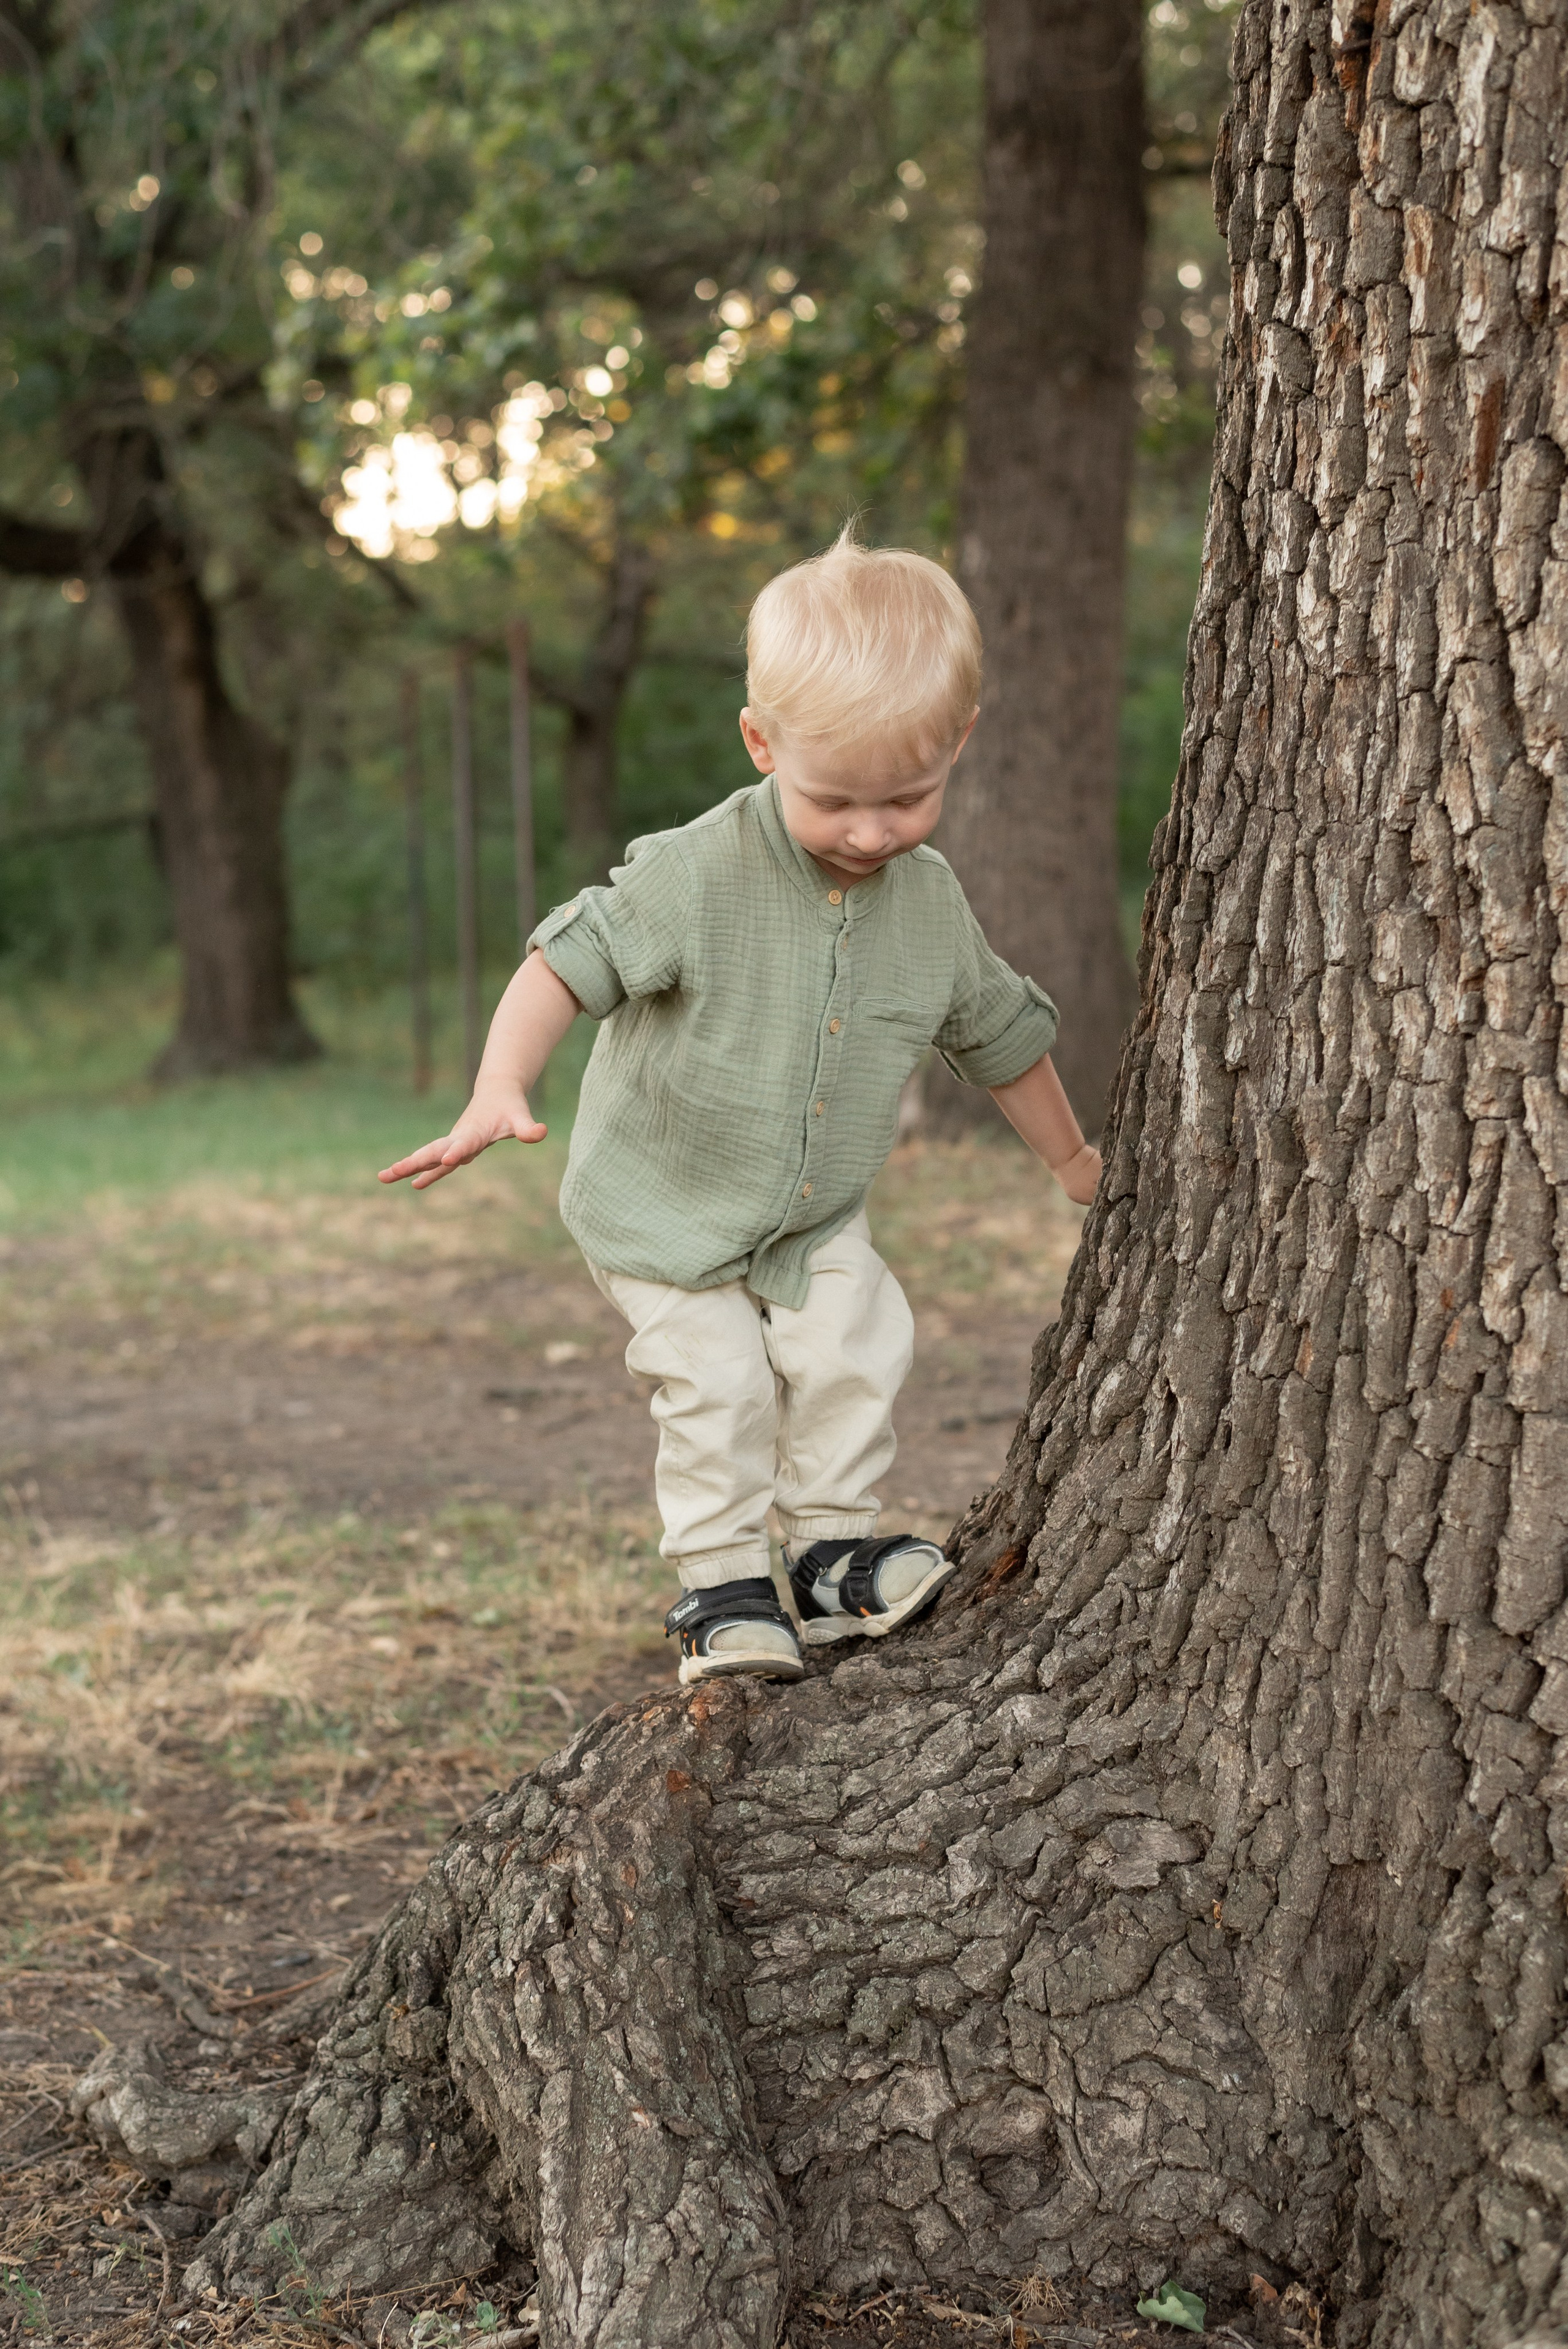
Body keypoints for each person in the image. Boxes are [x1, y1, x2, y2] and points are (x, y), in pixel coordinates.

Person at [379, 529, 1102, 1687]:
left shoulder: (930, 904)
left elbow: (1001, 1036)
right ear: (763, 744)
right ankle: (719, 1583)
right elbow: (566, 961)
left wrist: (1072, 1160)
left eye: (909, 798)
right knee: (717, 1383)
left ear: (960, 745)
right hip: (662, 1209)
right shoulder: (694, 871)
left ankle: (828, 1551)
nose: (873, 831)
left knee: (858, 1340)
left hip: (808, 1216)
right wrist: (498, 1084)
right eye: (837, 801)